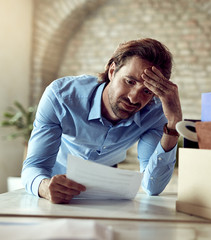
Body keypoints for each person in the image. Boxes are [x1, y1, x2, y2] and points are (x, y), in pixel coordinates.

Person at [21, 38, 182, 204]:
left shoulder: (154, 113)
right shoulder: (61, 97)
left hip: (105, 195)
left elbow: (152, 187)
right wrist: (44, 187)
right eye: (130, 81)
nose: (134, 98)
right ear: (112, 71)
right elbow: (33, 166)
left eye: (147, 91)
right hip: (52, 190)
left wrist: (174, 123)